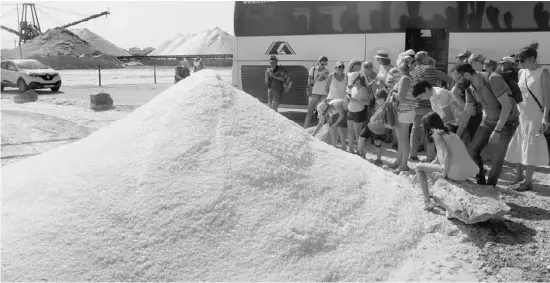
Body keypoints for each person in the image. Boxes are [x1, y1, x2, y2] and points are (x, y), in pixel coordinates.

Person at [453, 62, 520, 186]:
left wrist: (497, 131)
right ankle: (481, 183)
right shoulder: (469, 87)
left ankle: (491, 187)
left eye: (458, 80)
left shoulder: (493, 79)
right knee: (473, 150)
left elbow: (507, 106)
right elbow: (467, 111)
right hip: (489, 120)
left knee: (497, 157)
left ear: (467, 75)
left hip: (508, 122)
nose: (457, 84)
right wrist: (457, 135)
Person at [505, 42, 550, 191]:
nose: (520, 64)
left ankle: (528, 181)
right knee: (518, 145)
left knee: (530, 147)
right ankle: (519, 175)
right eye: (518, 61)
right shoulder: (521, 73)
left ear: (532, 58)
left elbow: (547, 97)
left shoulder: (543, 72)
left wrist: (545, 117)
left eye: (522, 60)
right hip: (521, 114)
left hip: (534, 115)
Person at [413, 112, 478, 211]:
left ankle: (427, 202)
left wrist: (443, 174)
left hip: (456, 172)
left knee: (417, 167)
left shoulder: (437, 135)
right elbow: (438, 160)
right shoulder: (449, 133)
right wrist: (423, 169)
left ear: (429, 126)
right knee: (421, 168)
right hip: (465, 171)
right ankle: (435, 194)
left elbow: (447, 154)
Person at [389, 53, 417, 173]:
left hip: (404, 112)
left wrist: (391, 92)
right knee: (401, 139)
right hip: (403, 111)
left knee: (403, 139)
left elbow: (400, 97)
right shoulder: (407, 77)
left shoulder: (405, 78)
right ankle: (400, 160)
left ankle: (404, 164)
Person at [410, 51, 439, 161]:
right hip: (428, 104)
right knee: (430, 130)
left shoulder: (413, 71)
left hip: (416, 105)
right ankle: (430, 157)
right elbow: (433, 87)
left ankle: (413, 154)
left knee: (415, 129)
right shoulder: (429, 69)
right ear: (425, 58)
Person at [347, 72, 372, 154]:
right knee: (350, 132)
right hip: (350, 111)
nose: (354, 81)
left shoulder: (364, 89)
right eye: (354, 80)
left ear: (359, 80)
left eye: (356, 80)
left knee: (358, 134)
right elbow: (349, 98)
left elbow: (368, 102)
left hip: (359, 112)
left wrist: (356, 100)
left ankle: (361, 152)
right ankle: (350, 149)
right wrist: (348, 97)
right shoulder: (353, 88)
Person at [362, 88, 389, 165]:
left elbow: (385, 119)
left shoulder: (385, 107)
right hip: (373, 126)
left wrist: (379, 121)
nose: (376, 100)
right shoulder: (380, 105)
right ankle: (363, 153)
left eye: (377, 99)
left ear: (382, 99)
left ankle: (379, 159)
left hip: (378, 129)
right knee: (373, 142)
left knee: (377, 143)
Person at [325, 61, 348, 148]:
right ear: (335, 68)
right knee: (332, 122)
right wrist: (328, 99)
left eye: (342, 67)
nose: (340, 68)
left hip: (341, 102)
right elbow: (326, 88)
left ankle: (340, 142)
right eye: (339, 67)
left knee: (341, 123)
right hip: (331, 101)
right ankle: (333, 143)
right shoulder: (331, 76)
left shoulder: (346, 76)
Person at [304, 56, 330, 128]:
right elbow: (309, 81)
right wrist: (318, 79)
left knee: (321, 114)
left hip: (324, 94)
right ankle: (305, 129)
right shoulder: (313, 69)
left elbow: (328, 83)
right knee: (309, 112)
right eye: (322, 64)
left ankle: (318, 132)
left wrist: (325, 78)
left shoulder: (327, 70)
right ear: (318, 62)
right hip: (314, 93)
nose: (324, 66)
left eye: (325, 64)